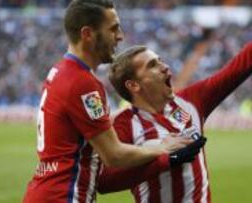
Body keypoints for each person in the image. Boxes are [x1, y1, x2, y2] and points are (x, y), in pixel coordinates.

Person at [98, 0, 252, 202]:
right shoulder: (122, 125)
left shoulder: (192, 101)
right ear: (134, 85)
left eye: (161, 60)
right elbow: (104, 182)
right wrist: (166, 160)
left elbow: (240, 66)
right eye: (152, 65)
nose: (165, 66)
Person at [23, 0, 205, 202]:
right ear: (87, 34)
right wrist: (164, 148)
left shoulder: (61, 71)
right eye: (113, 29)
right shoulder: (83, 83)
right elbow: (114, 155)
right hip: (63, 196)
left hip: (46, 191)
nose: (120, 36)